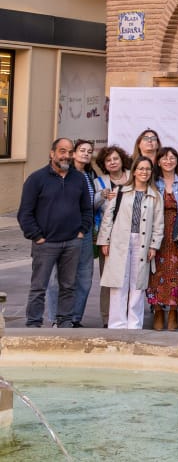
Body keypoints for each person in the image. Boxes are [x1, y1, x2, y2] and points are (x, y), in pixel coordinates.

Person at [19, 138, 91, 328]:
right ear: (52, 153)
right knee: (38, 288)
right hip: (46, 244)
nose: (66, 155)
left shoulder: (79, 178)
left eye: (69, 151)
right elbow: (25, 213)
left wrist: (82, 231)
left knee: (68, 286)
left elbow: (87, 208)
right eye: (62, 151)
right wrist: (37, 236)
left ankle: (65, 322)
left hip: (72, 243)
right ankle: (33, 324)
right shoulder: (36, 179)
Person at [97, 155, 163, 329]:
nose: (144, 172)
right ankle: (117, 324)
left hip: (142, 242)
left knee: (138, 284)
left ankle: (134, 324)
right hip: (120, 242)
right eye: (140, 168)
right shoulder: (120, 192)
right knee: (119, 282)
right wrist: (105, 241)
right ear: (134, 171)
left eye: (148, 169)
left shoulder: (155, 196)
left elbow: (158, 223)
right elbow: (108, 218)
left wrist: (154, 245)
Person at [147, 146, 178, 331]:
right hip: (157, 233)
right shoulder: (152, 181)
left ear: (177, 161)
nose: (168, 161)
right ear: (158, 161)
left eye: (172, 158)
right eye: (164, 158)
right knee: (156, 273)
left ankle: (174, 311)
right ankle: (158, 310)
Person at [89, 145, 132, 325]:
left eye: (115, 158)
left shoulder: (133, 176)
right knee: (109, 278)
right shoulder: (100, 182)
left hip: (132, 232)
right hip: (109, 235)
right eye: (108, 160)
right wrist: (102, 196)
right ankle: (108, 318)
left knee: (131, 278)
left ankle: (129, 316)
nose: (112, 162)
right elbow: (91, 206)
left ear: (122, 159)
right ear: (104, 165)